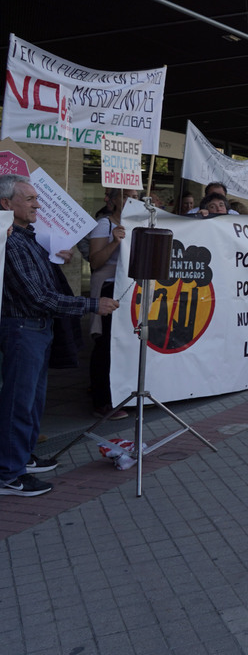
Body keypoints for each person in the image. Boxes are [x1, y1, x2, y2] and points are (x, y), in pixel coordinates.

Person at [0, 176, 120, 497]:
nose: (38, 204)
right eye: (29, 199)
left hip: (36, 329)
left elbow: (44, 284)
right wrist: (93, 304)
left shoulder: (25, 237)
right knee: (18, 404)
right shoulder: (11, 242)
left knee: (32, 402)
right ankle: (9, 474)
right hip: (24, 328)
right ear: (6, 204)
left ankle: (21, 459)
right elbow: (39, 296)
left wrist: (57, 259)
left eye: (37, 198)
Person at [87, 189, 140, 419]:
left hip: (131, 290)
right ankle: (102, 401)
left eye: (137, 196)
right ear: (114, 200)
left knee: (126, 345)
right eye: (127, 196)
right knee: (106, 346)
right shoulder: (104, 225)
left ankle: (122, 395)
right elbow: (95, 262)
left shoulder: (140, 223)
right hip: (109, 288)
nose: (133, 200)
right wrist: (115, 242)